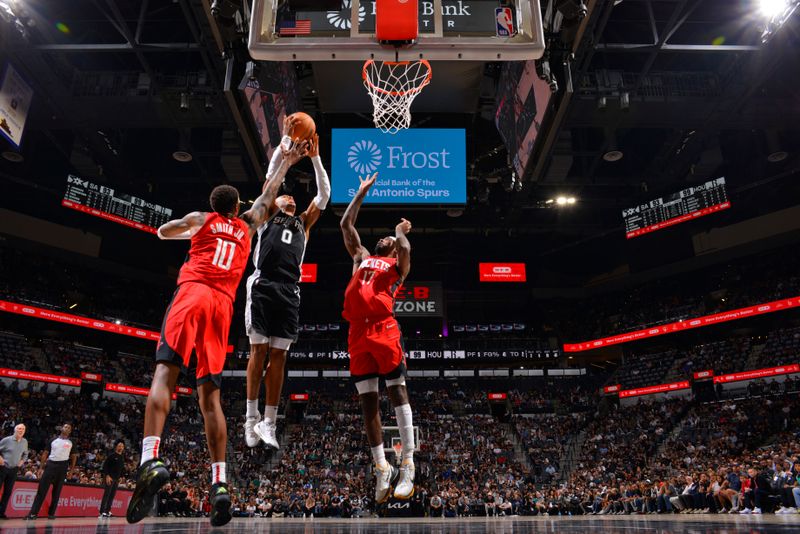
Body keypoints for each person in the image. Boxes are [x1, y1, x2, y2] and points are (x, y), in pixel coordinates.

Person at [125, 138, 309, 526]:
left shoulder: (200, 219)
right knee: (210, 395)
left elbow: (163, 231)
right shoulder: (247, 225)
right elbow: (270, 190)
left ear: (214, 207)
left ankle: (150, 457)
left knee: (165, 373)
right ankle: (220, 482)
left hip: (191, 295)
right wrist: (288, 160)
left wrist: (184, 230)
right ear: (238, 207)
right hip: (222, 307)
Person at [244, 128, 330, 449]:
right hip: (263, 283)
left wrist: (316, 158)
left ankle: (269, 421)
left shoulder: (303, 223)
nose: (291, 197)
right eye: (285, 195)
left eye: (292, 196)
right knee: (259, 352)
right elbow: (271, 183)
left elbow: (323, 197)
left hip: (289, 290)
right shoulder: (266, 215)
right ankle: (250, 419)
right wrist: (286, 159)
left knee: (278, 357)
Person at [339, 172, 416, 502]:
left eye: (391, 239)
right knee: (367, 401)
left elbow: (407, 249)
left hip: (384, 328)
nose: (387, 238)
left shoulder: (397, 267)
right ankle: (382, 467)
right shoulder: (361, 257)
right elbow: (346, 225)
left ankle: (409, 463)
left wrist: (400, 233)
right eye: (386, 236)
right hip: (357, 331)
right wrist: (360, 193)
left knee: (397, 392)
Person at [25, 423, 77, 520]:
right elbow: (45, 453)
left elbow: (74, 457)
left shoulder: (71, 442)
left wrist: (71, 471)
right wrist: (41, 468)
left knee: (57, 492)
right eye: (65, 426)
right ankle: (33, 513)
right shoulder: (53, 440)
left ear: (70, 431)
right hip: (51, 465)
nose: (67, 428)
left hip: (63, 466)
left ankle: (51, 513)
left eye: (69, 428)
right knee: (42, 490)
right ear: (61, 428)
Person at [0, 424, 28, 519]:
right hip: (2, 467)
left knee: (7, 492)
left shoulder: (25, 442)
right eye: (19, 428)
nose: (21, 430)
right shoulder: (6, 440)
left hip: (14, 469)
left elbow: (25, 454)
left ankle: (1, 512)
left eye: (23, 429)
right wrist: (0, 459)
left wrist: (22, 461)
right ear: (15, 430)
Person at [99, 440, 125, 518]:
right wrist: (107, 476)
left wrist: (121, 477)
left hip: (116, 479)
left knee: (112, 495)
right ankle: (102, 512)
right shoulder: (112, 456)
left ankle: (107, 511)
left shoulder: (122, 457)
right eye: (119, 445)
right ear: (116, 446)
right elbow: (105, 466)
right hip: (110, 478)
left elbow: (121, 469)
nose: (121, 447)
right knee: (106, 495)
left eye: (122, 446)